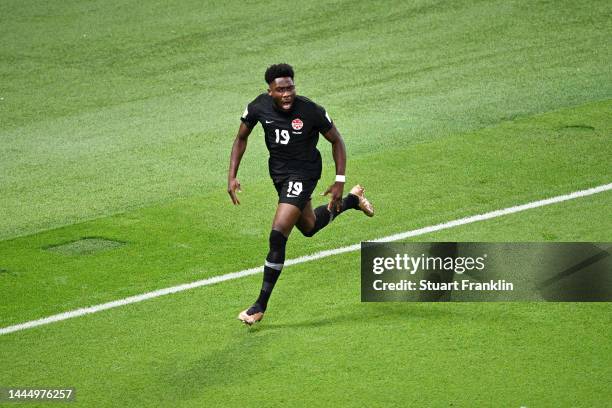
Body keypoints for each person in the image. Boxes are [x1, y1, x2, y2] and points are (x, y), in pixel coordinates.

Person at [228, 63, 374, 325]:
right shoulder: (257, 107)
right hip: (279, 175)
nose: (287, 94)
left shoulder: (310, 110)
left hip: (305, 173)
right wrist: (232, 175)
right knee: (308, 227)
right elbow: (241, 138)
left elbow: (336, 140)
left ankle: (259, 306)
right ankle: (353, 200)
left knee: (278, 233)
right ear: (270, 91)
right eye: (280, 89)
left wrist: (339, 179)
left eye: (290, 87)